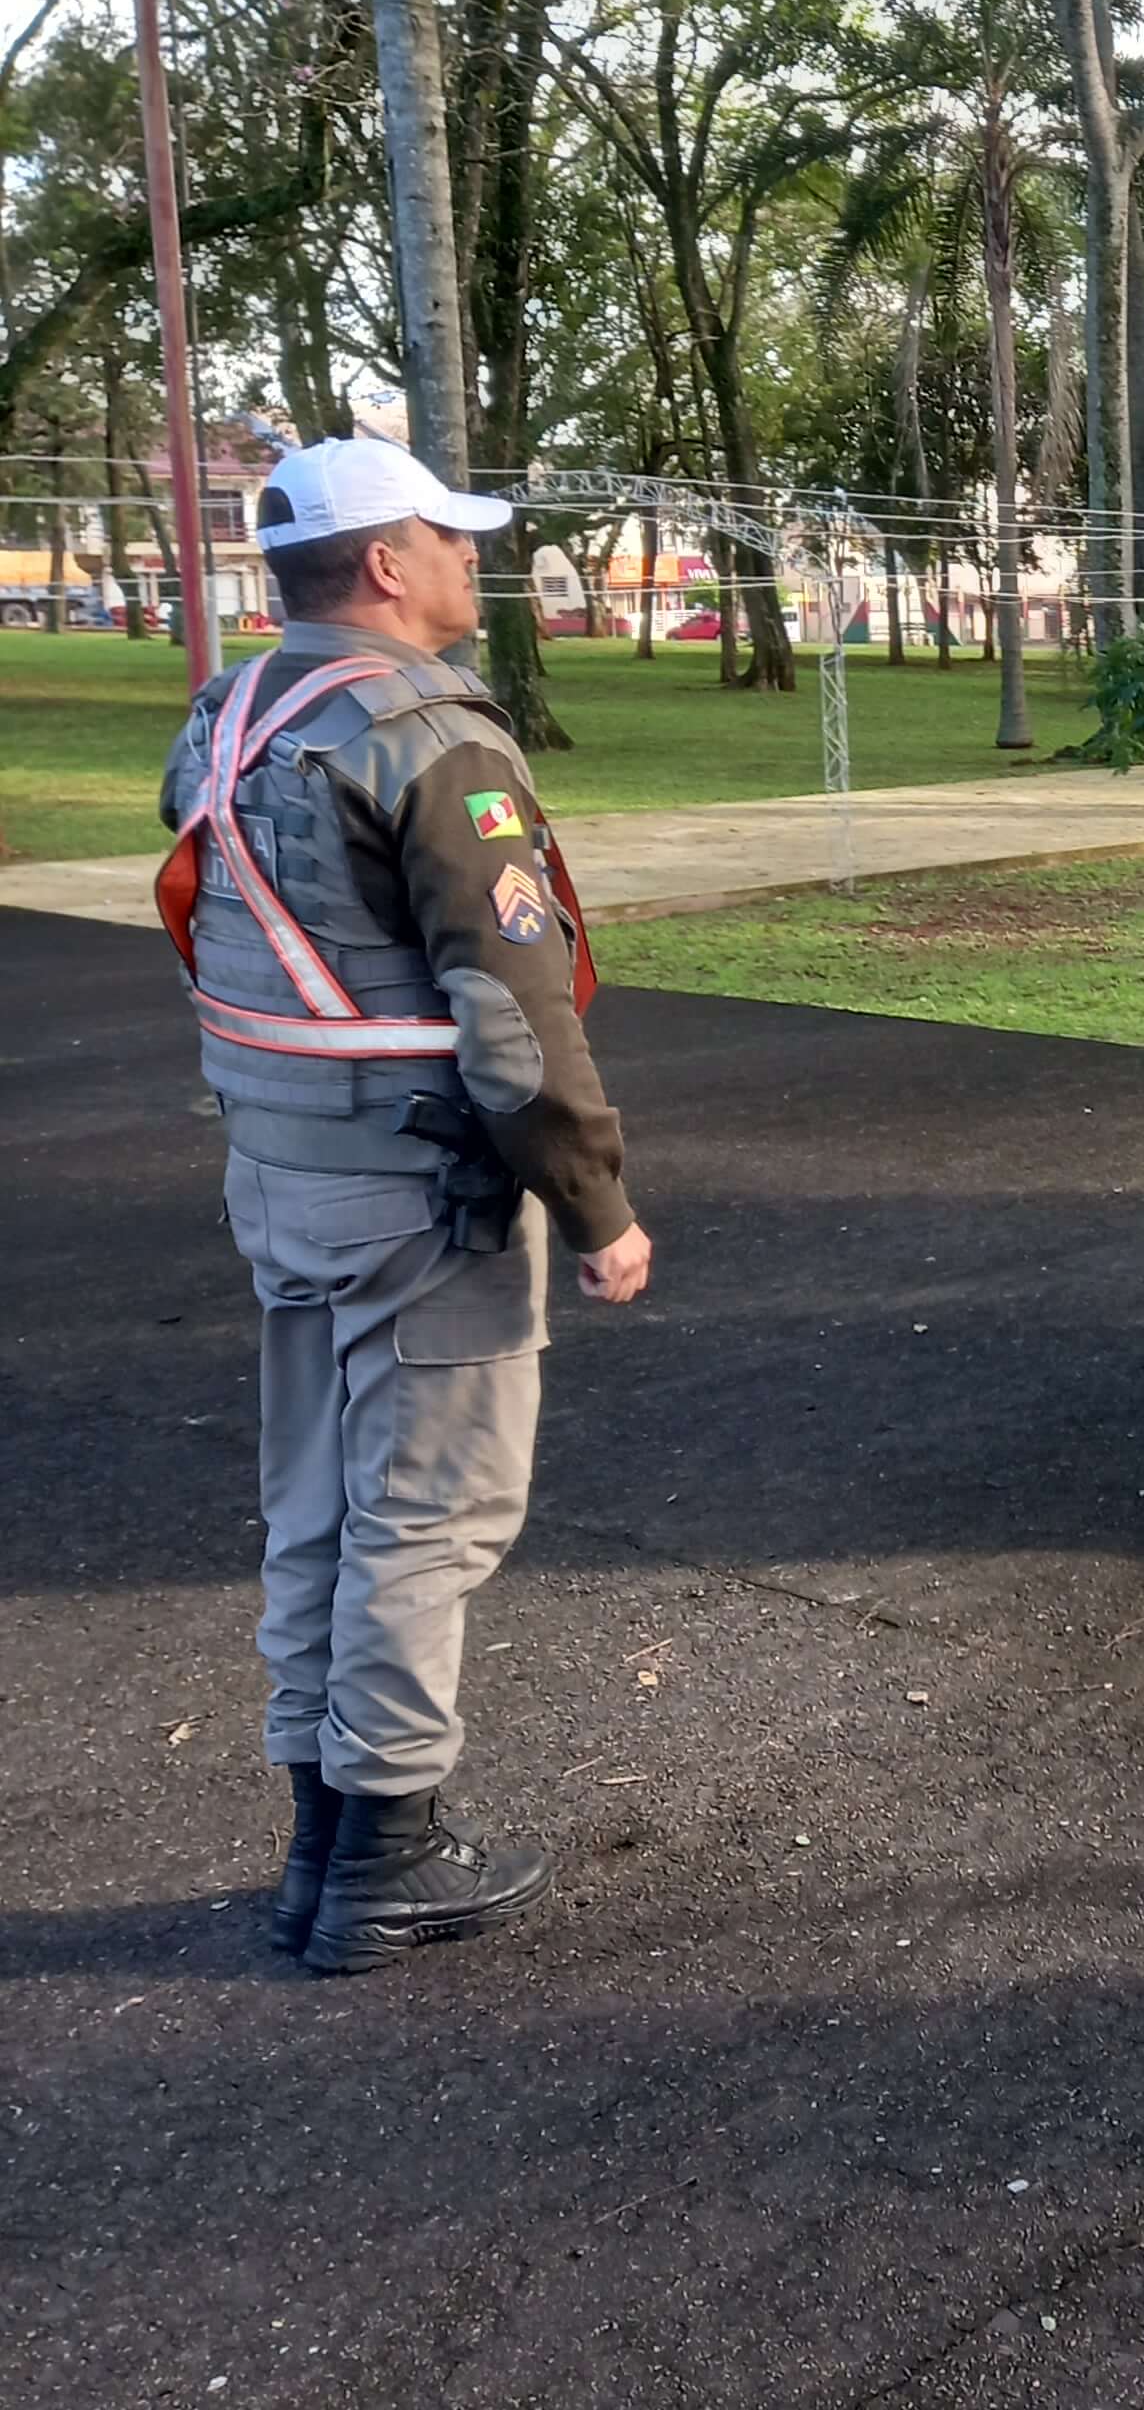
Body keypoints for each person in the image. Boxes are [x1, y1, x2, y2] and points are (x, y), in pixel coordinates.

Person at [157, 437, 654, 1974]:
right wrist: (594, 1204)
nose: (470, 562)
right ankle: (387, 1849)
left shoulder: (227, 717)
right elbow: (509, 1016)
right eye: (451, 537)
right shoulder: (426, 739)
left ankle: (317, 1833)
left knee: (314, 1503)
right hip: (414, 1190)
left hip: (281, 1176)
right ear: (384, 561)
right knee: (426, 1517)